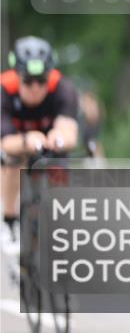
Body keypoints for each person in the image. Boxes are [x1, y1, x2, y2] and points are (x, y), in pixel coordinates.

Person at [0, 36, 79, 252]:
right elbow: (6, 141)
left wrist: (59, 137)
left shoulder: (63, 87)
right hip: (18, 139)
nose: (35, 87)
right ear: (17, 76)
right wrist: (28, 140)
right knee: (13, 162)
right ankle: (9, 221)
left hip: (49, 140)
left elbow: (69, 130)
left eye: (41, 81)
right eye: (28, 81)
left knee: (60, 167)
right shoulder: (4, 89)